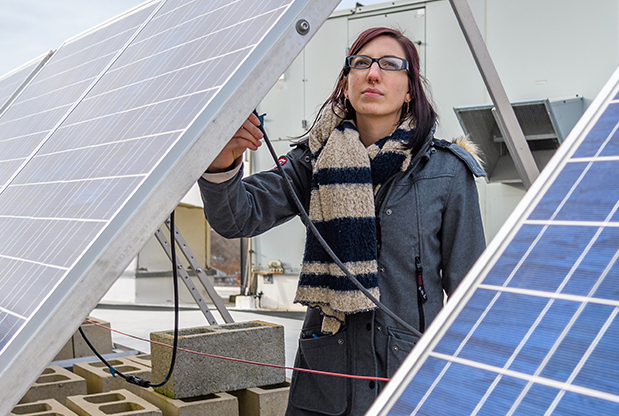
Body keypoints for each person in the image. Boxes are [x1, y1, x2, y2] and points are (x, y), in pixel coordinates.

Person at [198, 27, 485, 416]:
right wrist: (222, 162)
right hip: (327, 384)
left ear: (410, 88)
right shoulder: (312, 161)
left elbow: (471, 293)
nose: (373, 73)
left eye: (389, 65)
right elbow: (238, 217)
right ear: (346, 83)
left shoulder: (447, 172)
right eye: (361, 63)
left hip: (410, 379)